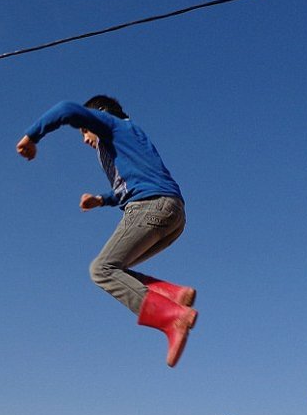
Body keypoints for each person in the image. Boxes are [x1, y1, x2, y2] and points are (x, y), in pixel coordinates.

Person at [16, 96, 198, 367]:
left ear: (97, 117)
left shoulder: (111, 126)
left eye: (84, 132)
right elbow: (128, 188)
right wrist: (101, 200)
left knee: (101, 270)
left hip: (151, 207)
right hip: (172, 213)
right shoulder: (128, 139)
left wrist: (32, 137)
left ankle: (171, 316)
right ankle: (173, 293)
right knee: (118, 269)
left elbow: (67, 109)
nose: (84, 139)